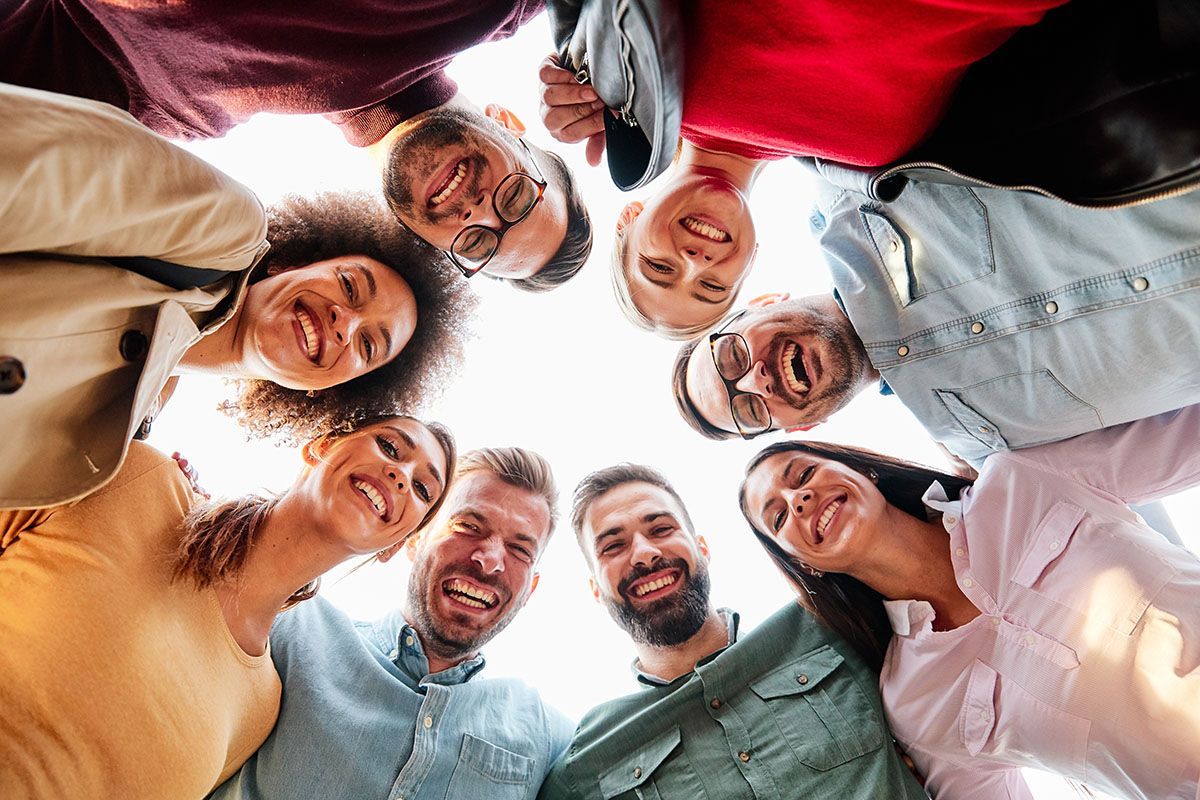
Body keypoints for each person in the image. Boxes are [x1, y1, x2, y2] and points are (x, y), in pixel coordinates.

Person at [0, 84, 474, 508]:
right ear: (294, 262)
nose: (344, 323)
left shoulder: (133, 432)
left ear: (326, 389)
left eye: (368, 346)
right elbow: (28, 162)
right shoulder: (225, 229)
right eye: (349, 286)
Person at [739, 407, 1200, 800]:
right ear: (805, 565)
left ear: (861, 469)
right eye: (778, 517)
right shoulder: (915, 705)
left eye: (802, 475)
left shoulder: (1021, 479)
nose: (797, 500)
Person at [538, 0, 1066, 334]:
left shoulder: (638, 78)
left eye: (661, 267)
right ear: (752, 260)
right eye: (712, 286)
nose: (696, 261)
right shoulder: (869, 168)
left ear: (629, 217)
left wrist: (579, 51)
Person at [0, 415, 456, 799]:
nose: (401, 475)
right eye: (390, 446)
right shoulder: (139, 481)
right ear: (321, 444)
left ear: (394, 547)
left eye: (422, 489)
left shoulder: (259, 709)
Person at [0, 1, 593, 289]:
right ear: (514, 123)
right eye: (518, 200)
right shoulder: (480, 9)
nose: (479, 211)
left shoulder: (173, 119)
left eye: (480, 244)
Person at [671, 173, 1200, 464]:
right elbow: (1170, 448)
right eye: (748, 412)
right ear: (804, 425)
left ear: (763, 301)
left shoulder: (845, 191)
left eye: (731, 355)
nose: (755, 379)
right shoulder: (992, 455)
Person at [540, 464, 926, 800]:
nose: (643, 553)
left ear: (702, 547)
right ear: (595, 589)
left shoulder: (828, 623)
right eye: (613, 546)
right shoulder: (585, 764)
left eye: (660, 528)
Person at [212, 447, 572, 800]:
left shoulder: (548, 738)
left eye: (520, 550)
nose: (490, 559)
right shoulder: (294, 631)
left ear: (531, 589)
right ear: (414, 538)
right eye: (468, 526)